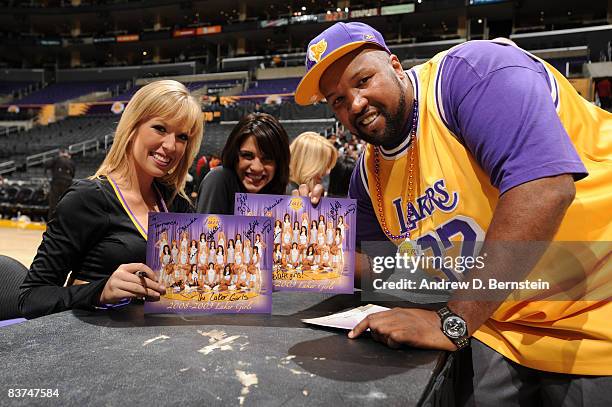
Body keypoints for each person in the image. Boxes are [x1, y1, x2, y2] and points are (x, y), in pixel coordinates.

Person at [294, 22, 612, 404]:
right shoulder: (368, 172)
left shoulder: (473, 74)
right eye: (338, 100)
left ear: (395, 65)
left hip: (595, 310)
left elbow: (545, 189)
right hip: (498, 324)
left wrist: (455, 319)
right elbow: (379, 265)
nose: (355, 103)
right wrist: (312, 235)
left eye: (362, 80)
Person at [19, 80, 203, 319]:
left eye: (182, 137)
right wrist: (100, 291)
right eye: (160, 128)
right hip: (98, 347)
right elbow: (31, 298)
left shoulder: (178, 205)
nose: (171, 145)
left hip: (165, 344)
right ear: (133, 126)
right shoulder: (85, 199)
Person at [197, 112, 324, 215]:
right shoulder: (219, 179)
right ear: (234, 155)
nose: (256, 168)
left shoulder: (287, 192)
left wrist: (312, 213)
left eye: (267, 159)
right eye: (247, 156)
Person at [46, 148, 75, 220]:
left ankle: (51, 221)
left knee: (53, 203)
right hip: (68, 182)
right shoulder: (71, 162)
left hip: (57, 182)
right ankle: (66, 221)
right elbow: (73, 173)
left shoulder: (57, 159)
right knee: (67, 203)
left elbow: (46, 165)